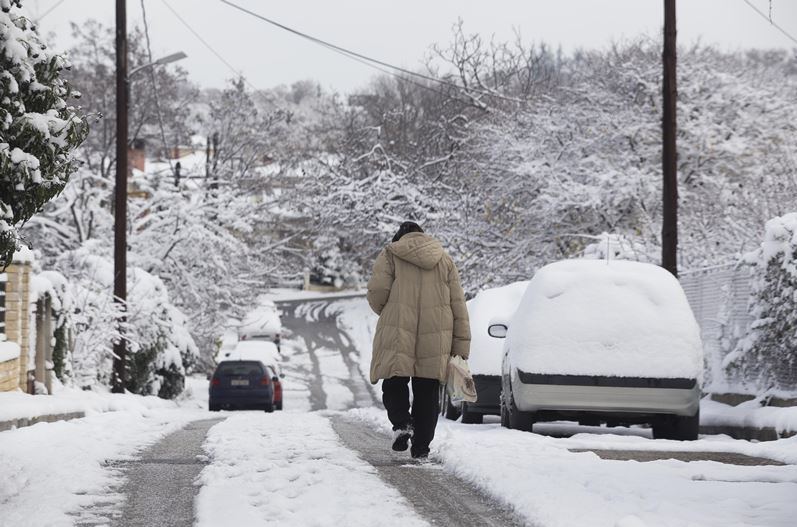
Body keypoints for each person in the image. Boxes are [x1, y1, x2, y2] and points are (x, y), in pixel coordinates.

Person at [367, 221, 470, 459]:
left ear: (400, 237)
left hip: (398, 330)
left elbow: (377, 293)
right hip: (436, 334)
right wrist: (461, 345)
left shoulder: (391, 254)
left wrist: (389, 309)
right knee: (427, 390)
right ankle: (421, 447)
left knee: (394, 381)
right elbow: (458, 305)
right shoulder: (444, 260)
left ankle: (402, 424)